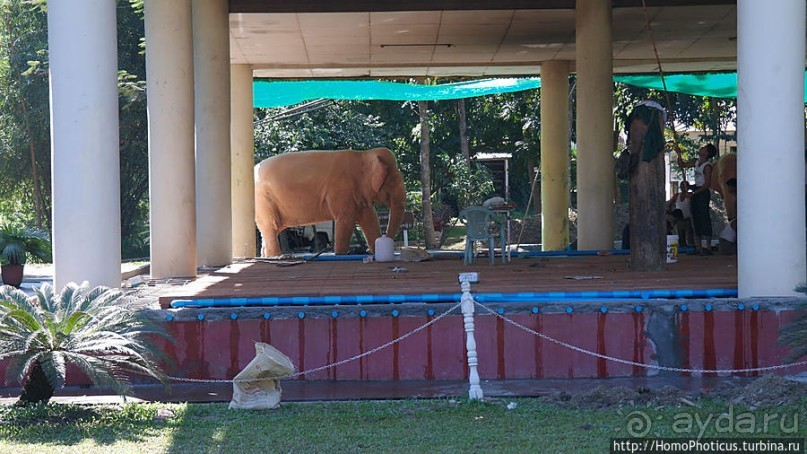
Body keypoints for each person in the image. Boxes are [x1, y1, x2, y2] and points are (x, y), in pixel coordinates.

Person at [677, 144, 717, 255]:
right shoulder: (696, 162)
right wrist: (679, 153)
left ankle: (707, 247)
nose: (701, 148)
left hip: (702, 193)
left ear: (707, 153)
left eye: (704, 148)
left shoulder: (707, 166)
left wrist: (694, 193)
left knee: (704, 217)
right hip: (696, 190)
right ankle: (699, 247)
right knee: (695, 218)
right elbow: (682, 164)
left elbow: (707, 184)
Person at [665, 180, 694, 247]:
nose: (683, 188)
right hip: (679, 219)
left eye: (684, 186)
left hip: (688, 219)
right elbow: (670, 203)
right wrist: (670, 212)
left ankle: (691, 247)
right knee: (681, 237)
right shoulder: (677, 196)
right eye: (681, 186)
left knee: (690, 236)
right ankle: (683, 247)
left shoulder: (690, 196)